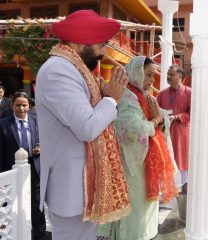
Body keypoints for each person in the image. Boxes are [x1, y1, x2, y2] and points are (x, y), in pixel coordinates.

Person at [35, 10, 131, 240]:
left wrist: (107, 96)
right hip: (71, 187)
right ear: (82, 41)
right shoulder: (58, 70)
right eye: (102, 44)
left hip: (85, 185)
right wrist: (111, 99)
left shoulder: (77, 69)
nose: (104, 51)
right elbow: (87, 127)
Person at [98, 56, 178, 240]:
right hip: (130, 168)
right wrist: (156, 120)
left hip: (144, 167)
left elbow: (159, 119)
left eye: (153, 75)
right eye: (148, 75)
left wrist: (160, 118)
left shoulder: (142, 96)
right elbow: (135, 128)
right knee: (133, 216)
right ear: (136, 73)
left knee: (144, 213)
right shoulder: (126, 97)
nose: (152, 79)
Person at [0, 92, 48, 240]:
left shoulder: (37, 120)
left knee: (36, 200)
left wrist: (40, 147)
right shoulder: (3, 124)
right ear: (12, 105)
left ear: (29, 106)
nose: (21, 108)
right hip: (10, 169)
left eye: (24, 105)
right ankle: (7, 230)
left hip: (34, 166)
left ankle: (39, 232)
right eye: (18, 105)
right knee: (10, 201)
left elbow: (45, 140)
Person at [157, 65, 191, 185]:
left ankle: (182, 188)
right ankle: (165, 192)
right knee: (165, 159)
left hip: (181, 132)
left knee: (181, 159)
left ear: (180, 76)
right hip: (165, 131)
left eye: (172, 74)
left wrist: (177, 117)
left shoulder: (188, 92)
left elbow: (192, 113)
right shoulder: (161, 94)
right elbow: (155, 111)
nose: (168, 77)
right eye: (168, 74)